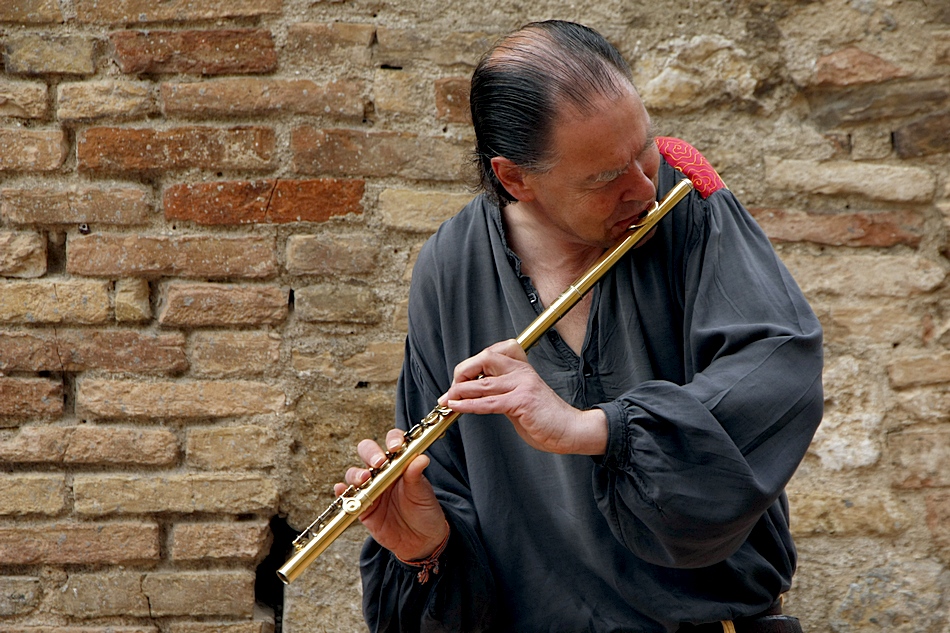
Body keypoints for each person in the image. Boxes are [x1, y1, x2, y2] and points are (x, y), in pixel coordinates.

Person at [336, 19, 823, 633]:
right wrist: (426, 549)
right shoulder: (449, 266)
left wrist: (597, 428)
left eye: (643, 148)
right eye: (603, 179)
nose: (643, 187)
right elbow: (454, 499)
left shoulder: (686, 200)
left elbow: (779, 366)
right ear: (515, 179)